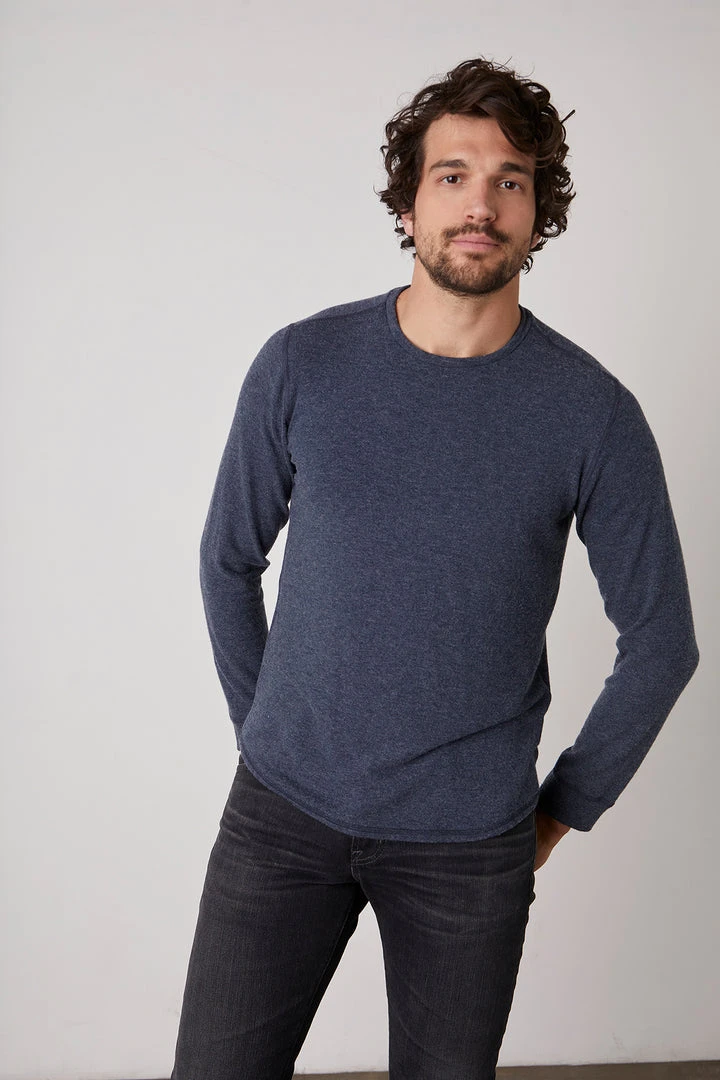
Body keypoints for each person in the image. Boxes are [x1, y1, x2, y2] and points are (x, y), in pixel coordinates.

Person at [170, 56, 700, 1080]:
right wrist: (265, 731)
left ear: (538, 212)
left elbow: (662, 643)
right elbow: (228, 558)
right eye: (452, 175)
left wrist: (558, 813)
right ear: (409, 203)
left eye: (510, 180)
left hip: (468, 849)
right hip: (279, 822)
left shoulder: (592, 413)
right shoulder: (304, 363)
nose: (480, 204)